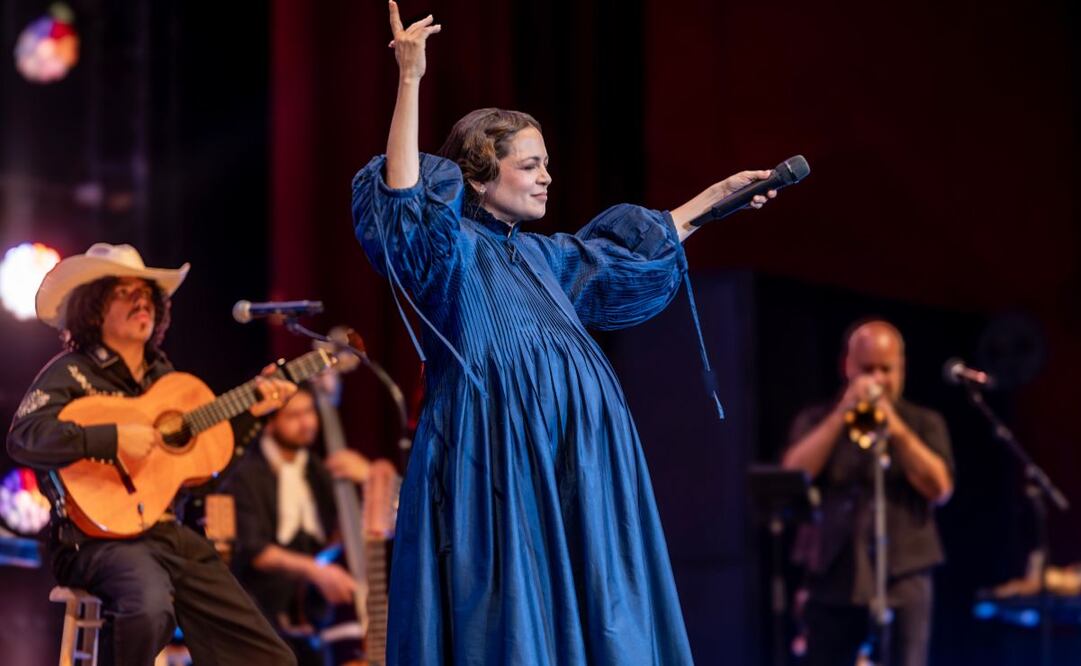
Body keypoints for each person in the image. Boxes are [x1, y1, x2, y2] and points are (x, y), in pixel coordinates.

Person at [348, 3, 778, 662]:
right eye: (529, 165)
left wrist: (714, 198)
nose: (547, 176)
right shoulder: (449, 249)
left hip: (578, 457)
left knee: (594, 606)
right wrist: (410, 79)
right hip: (496, 456)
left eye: (545, 163)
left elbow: (630, 254)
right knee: (511, 614)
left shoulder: (546, 257)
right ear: (478, 176)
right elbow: (403, 200)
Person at [6, 243, 299, 666]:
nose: (141, 300)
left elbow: (202, 472)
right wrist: (110, 438)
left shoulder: (167, 381)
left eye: (146, 294)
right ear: (94, 309)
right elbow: (24, 437)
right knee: (149, 608)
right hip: (91, 542)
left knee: (267, 655)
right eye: (124, 292)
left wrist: (252, 416)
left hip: (167, 535)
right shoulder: (70, 372)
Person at [781, 320, 954, 666]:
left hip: (903, 576)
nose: (877, 380)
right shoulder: (817, 419)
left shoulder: (923, 422)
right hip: (832, 575)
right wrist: (841, 415)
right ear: (847, 366)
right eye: (867, 369)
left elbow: (940, 489)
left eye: (885, 370)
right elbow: (791, 478)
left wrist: (895, 428)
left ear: (901, 369)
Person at [226, 378, 398, 666]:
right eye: (294, 416)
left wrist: (367, 484)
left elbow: (338, 539)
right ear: (270, 423)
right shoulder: (246, 474)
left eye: (310, 412)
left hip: (316, 608)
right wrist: (316, 571)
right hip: (265, 602)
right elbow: (255, 551)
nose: (307, 423)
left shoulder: (320, 470)